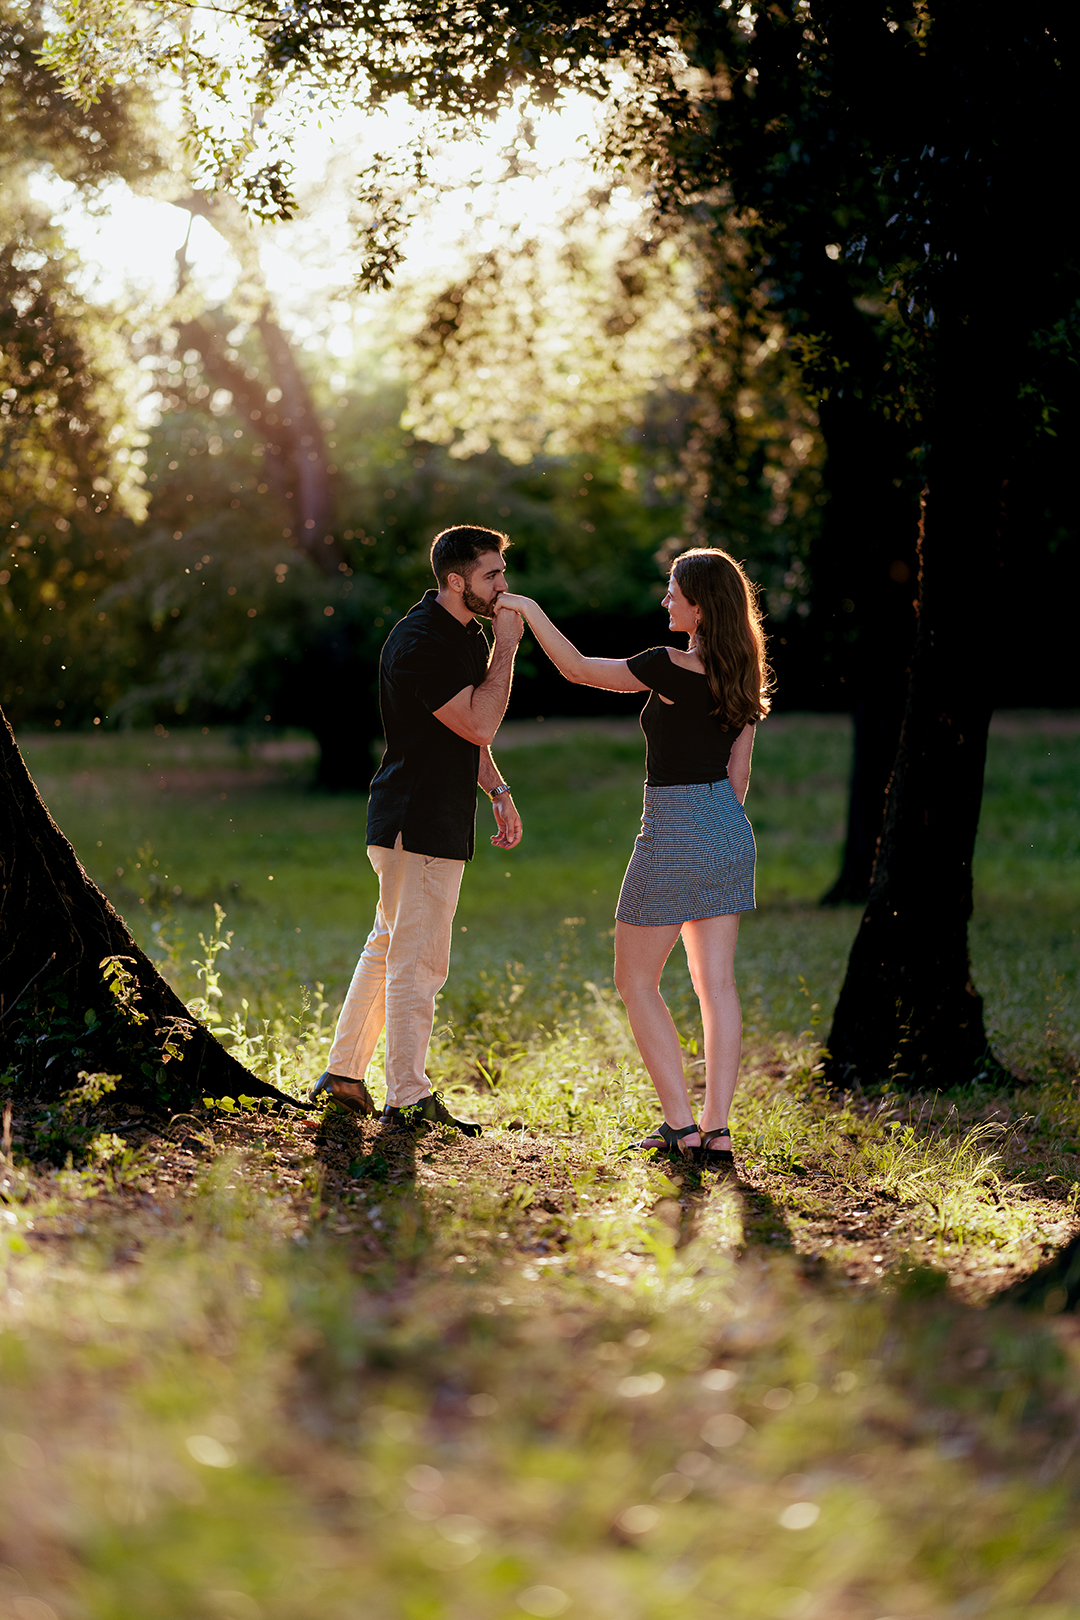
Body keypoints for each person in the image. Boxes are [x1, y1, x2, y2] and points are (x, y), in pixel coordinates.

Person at [498, 547, 770, 1167]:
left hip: (673, 826)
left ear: (701, 604)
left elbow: (576, 669)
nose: (666, 600)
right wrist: (716, 828)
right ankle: (718, 1130)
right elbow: (739, 774)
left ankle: (680, 1127)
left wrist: (531, 611)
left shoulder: (666, 665)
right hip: (729, 830)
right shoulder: (744, 673)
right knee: (717, 985)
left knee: (634, 980)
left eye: (674, 591)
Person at [310, 525, 523, 1135]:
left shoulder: (461, 633)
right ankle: (408, 1097)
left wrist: (498, 790)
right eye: (491, 575)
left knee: (388, 948)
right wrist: (508, 648)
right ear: (456, 581)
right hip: (416, 820)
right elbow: (481, 722)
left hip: (431, 814)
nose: (503, 587)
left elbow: (463, 733)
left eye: (502, 573)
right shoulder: (422, 642)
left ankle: (345, 1076)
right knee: (419, 961)